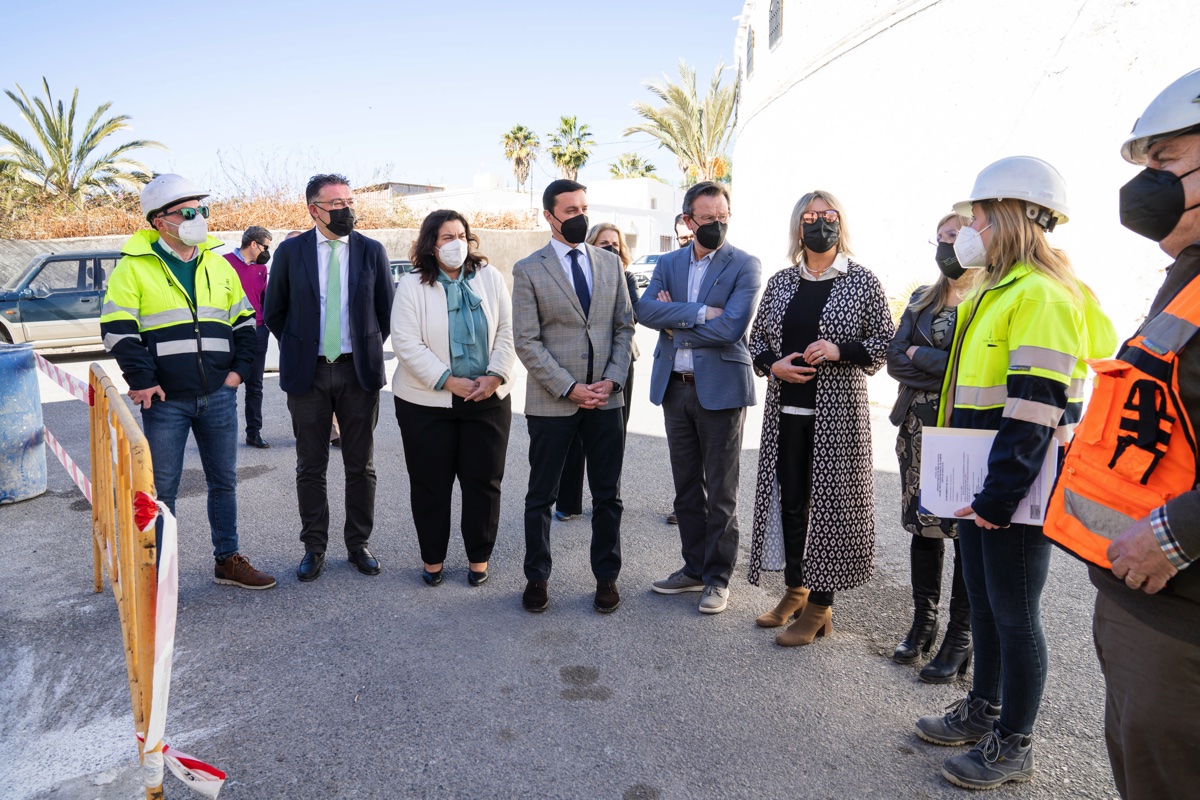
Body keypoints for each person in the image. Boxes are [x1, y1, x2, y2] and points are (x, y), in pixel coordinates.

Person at [914, 156, 1116, 790]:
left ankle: (1014, 743)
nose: (967, 227)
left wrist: (998, 497)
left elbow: (1035, 407)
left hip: (1013, 490)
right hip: (983, 485)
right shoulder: (997, 290)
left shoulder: (1043, 296)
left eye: (976, 215)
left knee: (1016, 614)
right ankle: (983, 710)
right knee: (990, 607)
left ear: (1011, 216)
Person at [1043, 69, 1200, 800]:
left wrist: (1174, 534)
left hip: (1180, 610)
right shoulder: (1187, 275)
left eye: (1165, 162)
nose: (1148, 184)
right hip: (1147, 600)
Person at [100, 174, 274, 589]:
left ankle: (227, 560)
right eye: (189, 211)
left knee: (224, 482)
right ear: (160, 221)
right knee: (161, 492)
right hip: (165, 401)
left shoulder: (218, 263)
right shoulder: (133, 268)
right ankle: (157, 574)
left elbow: (245, 322)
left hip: (217, 394)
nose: (201, 217)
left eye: (203, 210)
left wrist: (237, 373)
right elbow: (117, 328)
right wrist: (141, 379)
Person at [745, 190, 893, 641]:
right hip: (785, 412)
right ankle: (796, 589)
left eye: (828, 216)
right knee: (792, 504)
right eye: (809, 216)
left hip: (838, 417)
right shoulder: (782, 283)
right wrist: (774, 365)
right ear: (798, 226)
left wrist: (839, 350)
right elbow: (756, 341)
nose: (819, 223)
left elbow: (885, 342)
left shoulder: (861, 281)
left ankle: (821, 606)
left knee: (830, 508)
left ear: (840, 223)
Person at [511, 179, 635, 614]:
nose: (580, 216)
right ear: (549, 216)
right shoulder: (529, 269)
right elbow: (526, 341)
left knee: (608, 495)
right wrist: (568, 386)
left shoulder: (609, 263)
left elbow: (624, 326)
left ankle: (606, 578)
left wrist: (613, 379)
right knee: (540, 496)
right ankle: (537, 578)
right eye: (570, 210)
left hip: (606, 399)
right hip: (553, 401)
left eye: (584, 207)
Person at [264, 174, 395, 583]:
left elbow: (385, 312)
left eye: (349, 202)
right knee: (310, 466)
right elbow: (275, 312)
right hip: (310, 372)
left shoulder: (372, 251)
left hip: (359, 372)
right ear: (313, 209)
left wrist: (364, 347)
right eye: (336, 204)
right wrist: (303, 347)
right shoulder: (290, 251)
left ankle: (358, 544)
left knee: (361, 466)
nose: (345, 210)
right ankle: (314, 547)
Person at [640, 181, 762, 615]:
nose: (716, 225)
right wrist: (697, 313)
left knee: (722, 492)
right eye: (708, 219)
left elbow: (731, 329)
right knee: (687, 489)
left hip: (722, 391)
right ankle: (693, 568)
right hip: (675, 388)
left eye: (723, 218)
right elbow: (645, 310)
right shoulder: (670, 262)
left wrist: (674, 322)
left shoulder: (745, 265)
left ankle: (717, 578)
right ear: (688, 220)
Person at [390, 209, 514, 588]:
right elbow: (406, 343)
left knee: (483, 482)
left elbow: (508, 331)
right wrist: (447, 380)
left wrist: (495, 376)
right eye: (447, 237)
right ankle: (433, 559)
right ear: (431, 244)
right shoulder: (412, 286)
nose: (456, 243)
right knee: (431, 484)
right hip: (426, 404)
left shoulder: (490, 278)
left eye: (461, 235)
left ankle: (479, 557)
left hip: (487, 399)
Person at [886, 212, 974, 683]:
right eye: (942, 238)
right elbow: (894, 358)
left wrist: (925, 357)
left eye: (957, 237)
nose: (948, 246)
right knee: (923, 527)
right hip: (918, 428)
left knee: (964, 531)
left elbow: (975, 367)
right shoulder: (922, 298)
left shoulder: (988, 299)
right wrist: (935, 364)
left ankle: (959, 637)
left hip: (966, 430)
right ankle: (923, 623)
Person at [554, 222, 640, 522]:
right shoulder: (576, 273)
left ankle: (608, 497)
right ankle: (568, 502)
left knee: (613, 437)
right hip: (578, 365)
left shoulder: (624, 275)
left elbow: (632, 315)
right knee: (573, 436)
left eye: (616, 244)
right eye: (604, 243)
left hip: (619, 364)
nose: (611, 248)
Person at [224, 225, 273, 448]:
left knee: (255, 385)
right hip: (230, 332)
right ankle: (223, 434)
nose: (267, 252)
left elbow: (263, 298)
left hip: (258, 330)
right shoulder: (222, 264)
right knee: (227, 384)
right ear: (253, 244)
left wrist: (266, 326)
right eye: (265, 247)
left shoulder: (262, 269)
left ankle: (254, 432)